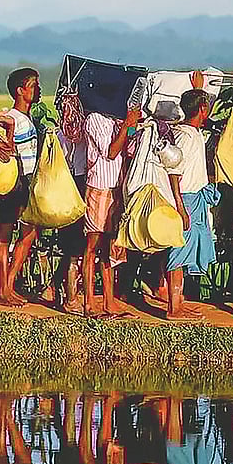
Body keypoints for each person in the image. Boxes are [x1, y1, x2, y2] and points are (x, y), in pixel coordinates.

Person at [163, 90, 221, 320]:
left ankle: (179, 302)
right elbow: (174, 172)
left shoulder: (193, 132)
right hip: (186, 199)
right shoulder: (185, 137)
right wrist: (180, 206)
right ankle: (173, 307)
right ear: (202, 109)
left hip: (194, 198)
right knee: (178, 251)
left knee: (185, 252)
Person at [80, 106, 138, 317]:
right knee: (92, 246)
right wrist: (127, 124)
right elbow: (111, 152)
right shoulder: (95, 119)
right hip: (100, 187)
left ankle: (109, 301)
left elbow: (127, 148)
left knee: (109, 249)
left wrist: (130, 127)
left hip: (115, 188)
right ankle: (89, 303)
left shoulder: (114, 120)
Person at [0, 68, 42, 306]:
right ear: (20, 91)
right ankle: (4, 289)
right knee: (5, 236)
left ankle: (9, 285)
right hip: (12, 182)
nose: (38, 90)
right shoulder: (9, 117)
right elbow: (4, 150)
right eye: (33, 86)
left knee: (28, 234)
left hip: (27, 182)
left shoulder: (26, 118)